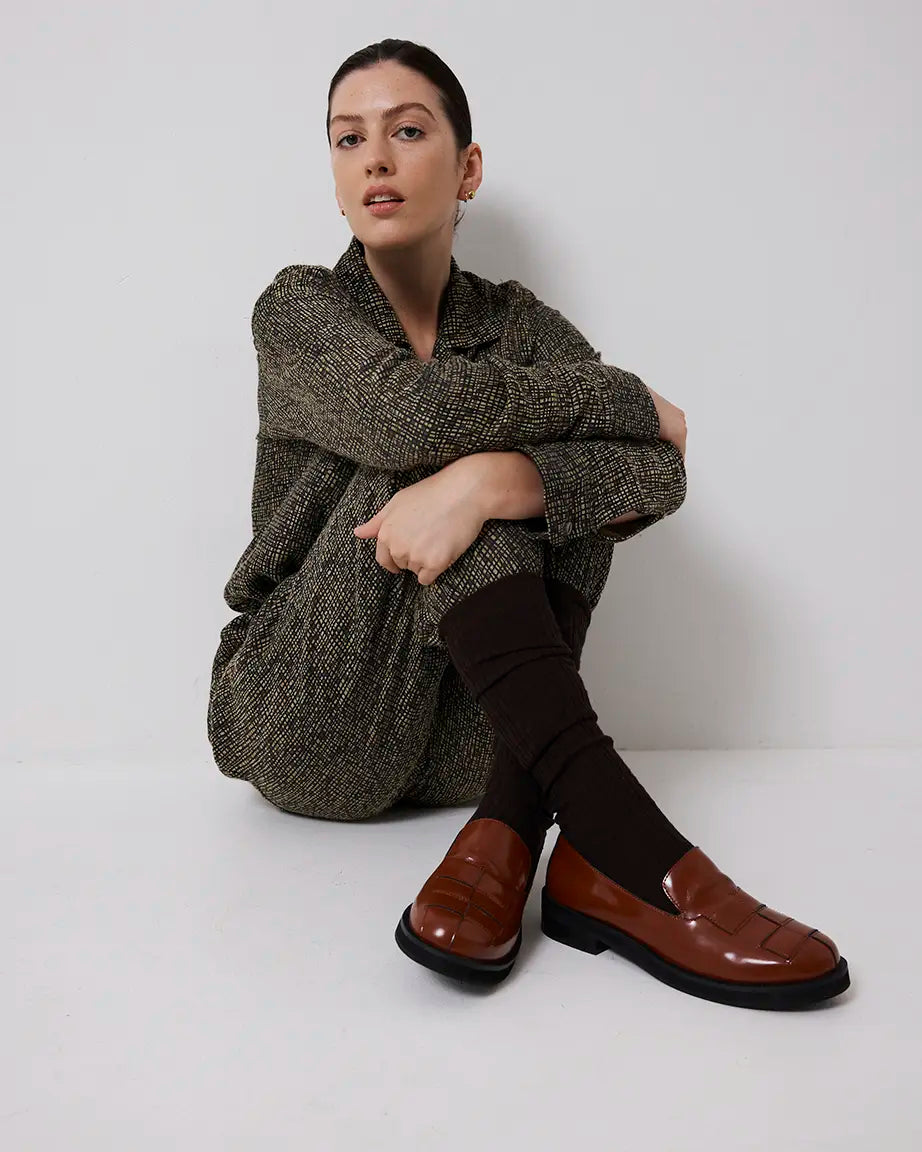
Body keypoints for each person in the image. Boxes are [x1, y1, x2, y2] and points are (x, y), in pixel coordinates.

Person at [207, 38, 850, 1010]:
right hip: (309, 710)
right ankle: (633, 857)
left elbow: (653, 478)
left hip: (470, 743)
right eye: (348, 139)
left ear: (466, 168)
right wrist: (619, 397)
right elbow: (409, 419)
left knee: (533, 487)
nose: (374, 159)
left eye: (407, 131)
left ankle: (513, 826)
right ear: (335, 176)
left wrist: (494, 486)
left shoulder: (521, 326)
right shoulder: (299, 309)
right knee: (449, 452)